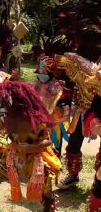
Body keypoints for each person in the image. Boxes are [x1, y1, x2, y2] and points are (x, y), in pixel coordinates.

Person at [0, 81, 61, 212]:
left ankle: (49, 209)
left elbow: (47, 143)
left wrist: (30, 148)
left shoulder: (34, 120)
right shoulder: (9, 118)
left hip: (36, 159)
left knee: (45, 191)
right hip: (14, 156)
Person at [55, 52, 101, 211]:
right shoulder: (80, 64)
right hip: (82, 111)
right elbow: (69, 85)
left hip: (97, 112)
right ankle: (73, 176)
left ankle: (98, 181)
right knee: (73, 144)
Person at [34, 54, 72, 157]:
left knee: (54, 145)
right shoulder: (37, 84)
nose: (41, 74)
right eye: (39, 72)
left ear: (51, 72)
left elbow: (65, 105)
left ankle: (54, 164)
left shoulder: (58, 86)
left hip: (54, 121)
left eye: (44, 72)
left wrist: (62, 117)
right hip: (39, 120)